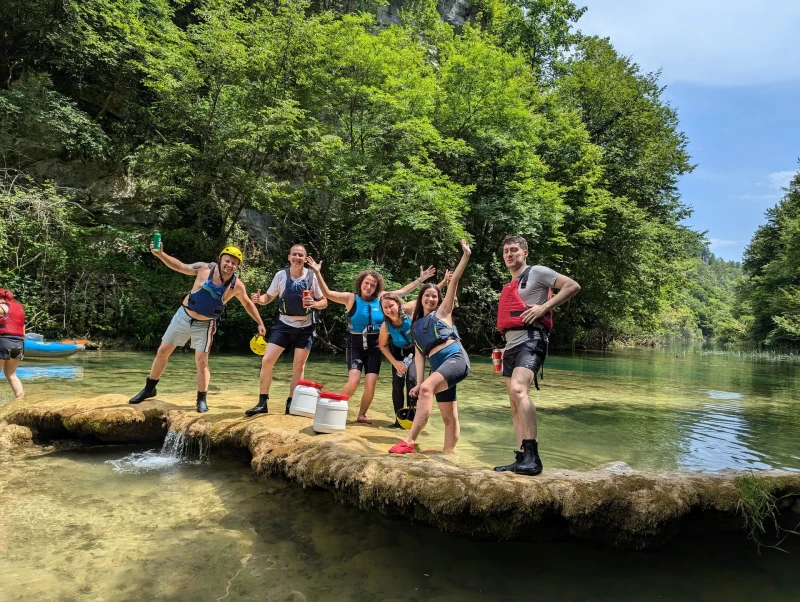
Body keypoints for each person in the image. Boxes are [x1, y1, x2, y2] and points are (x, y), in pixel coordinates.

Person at [129, 241, 266, 413]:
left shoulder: (236, 285)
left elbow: (247, 304)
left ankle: (201, 399)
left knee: (201, 361)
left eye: (234, 263)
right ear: (220, 259)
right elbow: (179, 266)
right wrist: (161, 255)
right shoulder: (204, 268)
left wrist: (260, 322)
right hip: (184, 316)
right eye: (227, 260)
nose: (229, 265)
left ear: (237, 267)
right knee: (163, 351)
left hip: (205, 324)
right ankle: (149, 388)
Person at [304, 257, 436, 423]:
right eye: (366, 283)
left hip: (375, 347)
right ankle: (331, 407)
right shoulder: (350, 298)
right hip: (356, 345)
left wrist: (421, 279)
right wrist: (317, 272)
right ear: (360, 283)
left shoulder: (382, 298)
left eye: (373, 285)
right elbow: (328, 294)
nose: (369, 287)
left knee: (371, 384)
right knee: (354, 380)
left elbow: (403, 292)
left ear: (377, 287)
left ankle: (361, 415)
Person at [493, 235, 580, 476]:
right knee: (513, 401)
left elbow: (572, 286)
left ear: (525, 253)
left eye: (514, 250)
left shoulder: (538, 272)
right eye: (506, 251)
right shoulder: (512, 282)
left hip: (532, 340)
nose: (509, 255)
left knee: (519, 389)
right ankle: (520, 456)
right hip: (510, 346)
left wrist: (544, 307)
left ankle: (533, 457)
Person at [389, 240, 472, 454]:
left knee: (428, 388)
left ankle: (408, 440)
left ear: (439, 300)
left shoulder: (443, 313)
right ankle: (448, 455)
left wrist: (465, 256)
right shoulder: (415, 327)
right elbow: (419, 357)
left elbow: (453, 283)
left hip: (455, 359)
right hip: (439, 368)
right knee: (449, 416)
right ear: (421, 299)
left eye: (434, 296)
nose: (431, 298)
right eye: (427, 295)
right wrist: (416, 383)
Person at [244, 244, 328, 416]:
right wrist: (259, 299)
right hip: (283, 325)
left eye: (301, 255)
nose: (297, 258)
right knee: (267, 360)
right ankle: (262, 402)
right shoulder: (281, 275)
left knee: (298, 365)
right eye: (294, 254)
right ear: (289, 257)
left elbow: (324, 301)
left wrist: (315, 304)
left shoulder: (312, 276)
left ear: (305, 259)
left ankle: (292, 403)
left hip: (305, 327)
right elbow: (268, 297)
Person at [378, 271, 452, 428]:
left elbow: (427, 297)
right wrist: (396, 363)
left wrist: (444, 282)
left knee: (412, 380)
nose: (389, 310)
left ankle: (413, 417)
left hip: (415, 350)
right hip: (398, 353)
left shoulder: (410, 310)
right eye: (385, 308)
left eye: (391, 306)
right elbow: (382, 346)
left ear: (398, 304)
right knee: (397, 384)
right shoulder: (385, 326)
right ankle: (399, 420)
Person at [0, 288, 25, 399]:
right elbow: (23, 332)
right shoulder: (19, 309)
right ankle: (20, 401)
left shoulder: (2, 307)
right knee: (11, 375)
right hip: (18, 344)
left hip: (4, 342)